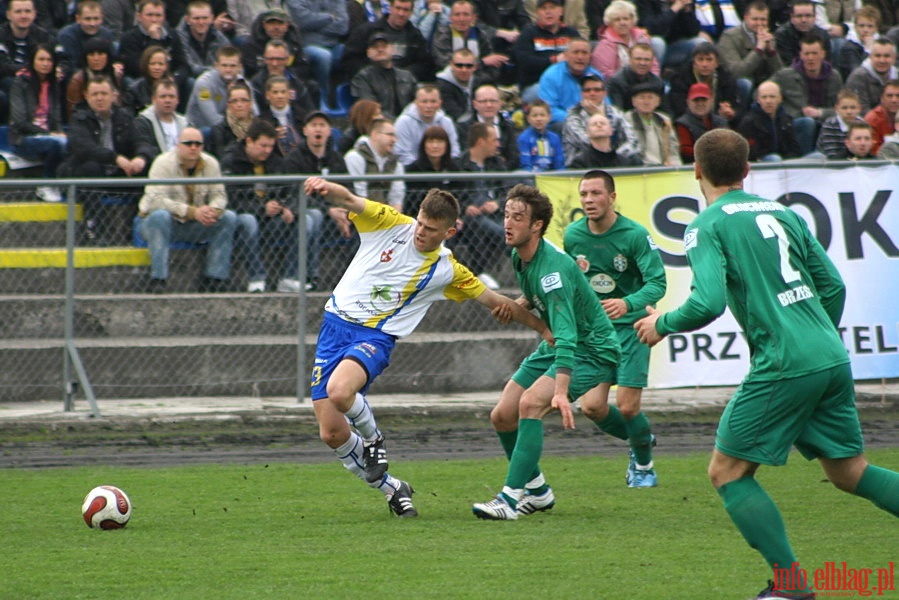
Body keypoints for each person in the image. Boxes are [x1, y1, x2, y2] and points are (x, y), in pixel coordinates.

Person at [634, 128, 899, 600]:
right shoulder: (782, 212)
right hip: (829, 355)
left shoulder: (707, 224)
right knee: (849, 471)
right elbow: (833, 286)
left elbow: (708, 302)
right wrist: (812, 336)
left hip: (787, 363)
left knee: (727, 472)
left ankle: (791, 587)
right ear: (747, 169)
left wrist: (663, 323)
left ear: (696, 170)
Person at [301, 174, 554, 519]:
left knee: (341, 392)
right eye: (420, 223)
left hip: (374, 337)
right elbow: (349, 200)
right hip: (333, 328)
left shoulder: (447, 270)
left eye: (431, 229)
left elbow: (495, 300)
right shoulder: (390, 222)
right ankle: (393, 489)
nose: (421, 232)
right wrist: (325, 187)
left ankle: (375, 441)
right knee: (332, 433)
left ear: (449, 232)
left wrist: (541, 326)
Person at [471, 183, 621, 520]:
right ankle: (538, 493)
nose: (508, 223)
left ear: (536, 225)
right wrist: (520, 304)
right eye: (507, 215)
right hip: (558, 343)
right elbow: (538, 302)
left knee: (531, 403)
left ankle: (509, 500)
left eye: (518, 217)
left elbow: (567, 334)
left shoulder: (553, 271)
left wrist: (562, 392)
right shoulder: (519, 255)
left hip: (590, 349)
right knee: (502, 415)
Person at [564, 169, 665, 486]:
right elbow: (572, 283)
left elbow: (657, 283)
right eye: (584, 194)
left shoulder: (634, 235)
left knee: (628, 406)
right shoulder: (573, 236)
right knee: (592, 407)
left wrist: (628, 303)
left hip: (633, 329)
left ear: (612, 197)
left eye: (595, 193)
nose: (589, 200)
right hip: (597, 334)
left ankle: (644, 467)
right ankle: (641, 439)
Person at [137, 126, 237, 293]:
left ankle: (215, 278)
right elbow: (155, 201)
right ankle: (158, 279)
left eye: (198, 144)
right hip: (158, 224)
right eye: (188, 143)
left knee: (229, 217)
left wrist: (212, 210)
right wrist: (191, 211)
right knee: (160, 216)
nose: (193, 147)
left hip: (195, 224)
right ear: (178, 144)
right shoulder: (162, 163)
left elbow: (220, 195)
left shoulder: (211, 163)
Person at [57, 75, 147, 244]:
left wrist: (141, 158)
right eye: (95, 94)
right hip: (80, 174)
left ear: (114, 95)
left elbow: (142, 142)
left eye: (104, 93)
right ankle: (93, 228)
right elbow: (84, 149)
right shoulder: (78, 119)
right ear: (86, 96)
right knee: (92, 167)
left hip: (113, 174)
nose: (100, 98)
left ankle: (136, 229)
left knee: (144, 171)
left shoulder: (125, 118)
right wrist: (115, 158)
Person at [220, 118, 302, 293]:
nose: (267, 151)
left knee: (307, 219)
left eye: (271, 146)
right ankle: (256, 277)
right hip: (243, 219)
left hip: (271, 220)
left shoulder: (275, 161)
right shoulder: (231, 161)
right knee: (248, 221)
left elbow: (289, 191)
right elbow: (231, 199)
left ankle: (291, 277)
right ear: (249, 141)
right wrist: (261, 209)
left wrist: (287, 207)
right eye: (263, 146)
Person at [284, 110, 349, 290]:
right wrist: (328, 209)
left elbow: (347, 189)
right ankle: (309, 275)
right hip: (304, 214)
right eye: (313, 125)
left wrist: (342, 211)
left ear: (329, 131)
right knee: (314, 216)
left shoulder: (336, 159)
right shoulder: (294, 159)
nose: (318, 129)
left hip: (336, 215)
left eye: (322, 125)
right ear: (305, 130)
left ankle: (352, 282)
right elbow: (295, 194)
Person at [9, 43, 66, 202]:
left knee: (70, 142)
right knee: (55, 144)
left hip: (49, 134)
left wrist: (59, 132)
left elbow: (56, 117)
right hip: (24, 137)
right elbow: (19, 122)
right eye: (41, 59)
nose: (45, 63)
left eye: (49, 60)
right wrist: (49, 134)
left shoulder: (54, 84)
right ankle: (46, 183)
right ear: (33, 60)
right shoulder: (20, 83)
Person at [771, 36, 843, 156]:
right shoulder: (786, 75)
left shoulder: (834, 76)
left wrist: (820, 113)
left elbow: (842, 108)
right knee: (807, 122)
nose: (810, 58)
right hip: (795, 122)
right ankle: (804, 161)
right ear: (801, 55)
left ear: (823, 54)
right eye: (807, 53)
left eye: (814, 53)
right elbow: (760, 93)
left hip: (825, 121)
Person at [456, 122, 508, 289]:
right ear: (481, 142)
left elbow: (508, 191)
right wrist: (465, 207)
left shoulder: (497, 163)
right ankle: (480, 273)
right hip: (470, 217)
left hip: (496, 213)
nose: (498, 144)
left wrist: (497, 204)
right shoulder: (458, 165)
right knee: (493, 230)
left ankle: (479, 273)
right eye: (494, 140)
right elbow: (451, 193)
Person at [341, 0, 434, 82]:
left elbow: (424, 64)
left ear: (411, 13)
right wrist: (373, 75)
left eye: (406, 10)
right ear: (390, 8)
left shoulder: (416, 36)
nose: (401, 13)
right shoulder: (365, 31)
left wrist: (404, 75)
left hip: (403, 86)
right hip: (371, 84)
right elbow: (350, 60)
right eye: (398, 8)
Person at [285, 0, 349, 111]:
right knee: (323, 56)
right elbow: (302, 22)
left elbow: (342, 26)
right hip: (307, 46)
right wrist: (329, 17)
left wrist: (314, 27)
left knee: (350, 52)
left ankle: (347, 98)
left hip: (334, 45)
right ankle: (322, 98)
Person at [513, 0, 579, 104]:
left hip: (568, 82)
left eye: (552, 7)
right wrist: (553, 60)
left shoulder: (572, 33)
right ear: (537, 13)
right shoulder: (528, 33)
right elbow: (525, 62)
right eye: (543, 8)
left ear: (561, 11)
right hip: (537, 84)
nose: (548, 12)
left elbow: (581, 56)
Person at [431, 0, 507, 83]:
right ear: (450, 17)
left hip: (478, 82)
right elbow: (445, 64)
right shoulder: (442, 35)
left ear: (474, 18)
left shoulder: (480, 35)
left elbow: (492, 67)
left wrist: (475, 80)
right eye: (457, 15)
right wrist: (482, 62)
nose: (461, 19)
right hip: (449, 82)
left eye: (466, 14)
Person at [349, 31, 418, 120]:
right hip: (378, 125)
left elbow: (419, 103)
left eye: (384, 46)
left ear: (393, 50)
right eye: (375, 47)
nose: (380, 49)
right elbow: (370, 110)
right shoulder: (362, 77)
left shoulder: (407, 76)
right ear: (368, 53)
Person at [118, 0, 189, 84]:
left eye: (158, 15)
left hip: (169, 81)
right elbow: (136, 68)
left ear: (164, 17)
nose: (154, 19)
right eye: (149, 15)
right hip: (141, 82)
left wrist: (175, 79)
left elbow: (183, 65)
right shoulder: (129, 38)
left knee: (190, 82)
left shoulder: (172, 35)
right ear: (139, 17)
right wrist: (154, 40)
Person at [716, 1, 783, 89]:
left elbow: (779, 72)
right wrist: (758, 50)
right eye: (755, 19)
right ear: (746, 18)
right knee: (745, 83)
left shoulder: (768, 37)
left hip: (763, 85)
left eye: (763, 19)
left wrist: (771, 52)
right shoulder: (729, 37)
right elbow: (737, 73)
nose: (759, 23)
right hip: (736, 86)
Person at [537, 37, 602, 127]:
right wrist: (576, 118)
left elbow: (605, 104)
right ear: (566, 55)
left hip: (592, 122)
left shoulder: (596, 76)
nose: (580, 57)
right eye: (576, 52)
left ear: (590, 56)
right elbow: (548, 109)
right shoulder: (551, 76)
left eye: (584, 53)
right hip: (563, 123)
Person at [668, 42, 740, 123]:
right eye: (700, 59)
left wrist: (730, 113)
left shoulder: (727, 79)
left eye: (709, 60)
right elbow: (679, 108)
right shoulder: (681, 78)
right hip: (691, 122)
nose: (704, 64)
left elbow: (737, 107)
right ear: (694, 63)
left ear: (717, 63)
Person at [186, 45, 256, 129]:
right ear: (216, 66)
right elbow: (213, 119)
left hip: (231, 128)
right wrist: (238, 128)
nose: (228, 70)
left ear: (239, 67)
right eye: (224, 65)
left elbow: (255, 113)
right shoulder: (203, 84)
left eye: (232, 66)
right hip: (200, 129)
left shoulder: (244, 84)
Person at [344, 117, 406, 211]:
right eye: (390, 135)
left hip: (385, 216)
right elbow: (359, 195)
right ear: (375, 135)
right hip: (358, 215)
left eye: (395, 136)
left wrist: (394, 222)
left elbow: (396, 198)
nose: (394, 140)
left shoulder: (395, 163)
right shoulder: (355, 157)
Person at [394, 84, 461, 166]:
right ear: (416, 103)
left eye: (433, 101)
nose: (429, 106)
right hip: (413, 172)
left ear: (440, 103)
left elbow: (454, 151)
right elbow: (402, 154)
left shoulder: (447, 122)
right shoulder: (403, 122)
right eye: (424, 102)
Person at [590, 0, 658, 81]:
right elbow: (606, 74)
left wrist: (652, 82)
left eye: (626, 19)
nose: (622, 23)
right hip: (619, 87)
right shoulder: (605, 44)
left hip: (645, 84)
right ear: (610, 23)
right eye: (617, 20)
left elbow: (654, 67)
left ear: (632, 21)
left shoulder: (642, 39)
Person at [457, 83, 520, 168]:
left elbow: (514, 157)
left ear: (500, 103)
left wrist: (500, 168)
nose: (489, 105)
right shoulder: (464, 127)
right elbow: (465, 156)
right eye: (483, 101)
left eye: (493, 101)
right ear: (475, 104)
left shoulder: (509, 126)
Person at [737, 80, 802, 161]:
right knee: (775, 158)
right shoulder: (749, 122)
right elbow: (750, 153)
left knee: (817, 157)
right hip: (762, 163)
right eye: (764, 97)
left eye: (772, 97)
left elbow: (795, 148)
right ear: (758, 99)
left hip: (785, 161)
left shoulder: (786, 119)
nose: (768, 101)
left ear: (780, 98)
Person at [405, 124, 461, 217]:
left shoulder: (454, 168)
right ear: (424, 145)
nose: (435, 146)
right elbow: (414, 202)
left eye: (440, 141)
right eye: (430, 141)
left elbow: (460, 196)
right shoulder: (413, 169)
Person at [64, 35, 124, 120]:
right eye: (91, 54)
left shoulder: (116, 76)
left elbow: (120, 105)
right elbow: (73, 112)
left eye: (100, 54)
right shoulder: (78, 80)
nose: (96, 58)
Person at [624, 82, 682, 166]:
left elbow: (673, 149)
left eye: (650, 98)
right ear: (634, 102)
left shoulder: (664, 120)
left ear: (658, 101)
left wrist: (674, 164)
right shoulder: (626, 119)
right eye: (642, 97)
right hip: (638, 168)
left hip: (663, 167)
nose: (646, 102)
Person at [133, 78, 189, 165]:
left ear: (177, 100)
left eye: (171, 96)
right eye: (163, 96)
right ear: (153, 99)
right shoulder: (143, 122)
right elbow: (145, 147)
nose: (167, 100)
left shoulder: (186, 123)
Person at [57, 0, 116, 81]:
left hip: (103, 76)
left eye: (96, 18)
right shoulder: (66, 36)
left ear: (102, 18)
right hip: (76, 78)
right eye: (88, 19)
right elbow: (69, 66)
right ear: (78, 19)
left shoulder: (106, 34)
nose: (92, 23)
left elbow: (112, 59)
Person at [675, 82, 730, 163]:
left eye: (704, 100)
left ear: (711, 101)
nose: (700, 103)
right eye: (696, 100)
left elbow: (728, 145)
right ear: (688, 102)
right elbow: (685, 150)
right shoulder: (682, 124)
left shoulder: (721, 122)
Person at [176, 0, 231, 80]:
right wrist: (217, 71)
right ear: (187, 20)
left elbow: (230, 59)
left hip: (216, 79)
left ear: (212, 18)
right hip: (192, 79)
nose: (201, 22)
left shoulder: (219, 38)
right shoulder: (179, 38)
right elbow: (189, 67)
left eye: (205, 18)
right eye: (196, 18)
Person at [845, 37, 898, 113]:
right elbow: (861, 111)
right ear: (870, 56)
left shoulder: (897, 74)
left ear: (894, 58)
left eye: (886, 56)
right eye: (877, 56)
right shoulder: (858, 77)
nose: (882, 60)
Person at [606, 43, 665, 112]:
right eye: (638, 59)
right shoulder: (616, 82)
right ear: (630, 60)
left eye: (647, 60)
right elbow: (618, 112)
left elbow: (665, 110)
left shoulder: (657, 83)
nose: (642, 63)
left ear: (652, 62)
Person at [257, 75, 306, 157]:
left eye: (283, 92)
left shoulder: (303, 116)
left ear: (289, 94)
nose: (280, 96)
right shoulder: (261, 121)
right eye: (275, 92)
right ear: (267, 95)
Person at [774, 0, 833, 66]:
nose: (803, 20)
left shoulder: (823, 35)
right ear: (791, 18)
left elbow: (827, 64)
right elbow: (788, 65)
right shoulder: (782, 35)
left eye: (808, 16)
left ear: (815, 17)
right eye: (799, 16)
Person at [207, 81, 257, 159]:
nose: (239, 105)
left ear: (251, 103)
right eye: (234, 101)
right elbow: (221, 157)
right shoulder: (219, 130)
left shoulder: (259, 127)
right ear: (228, 105)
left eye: (244, 100)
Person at [814, 87, 865, 158]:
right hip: (827, 160)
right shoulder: (830, 124)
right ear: (836, 109)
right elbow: (831, 154)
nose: (849, 112)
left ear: (859, 108)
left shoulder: (863, 124)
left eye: (853, 108)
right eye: (844, 108)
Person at [122, 45, 172, 115]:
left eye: (161, 64)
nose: (157, 67)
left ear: (166, 66)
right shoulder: (134, 90)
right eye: (153, 64)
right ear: (146, 65)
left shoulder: (171, 88)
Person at [518, 99, 565, 171]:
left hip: (551, 178)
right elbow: (525, 165)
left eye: (542, 115)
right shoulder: (524, 138)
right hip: (531, 178)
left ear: (549, 117)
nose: (539, 119)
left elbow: (559, 164)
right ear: (528, 118)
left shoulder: (555, 138)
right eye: (534, 116)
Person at [835, 5, 881, 80]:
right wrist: (868, 50)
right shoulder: (848, 48)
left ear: (876, 28)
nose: (865, 30)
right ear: (855, 27)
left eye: (870, 26)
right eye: (862, 26)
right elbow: (858, 74)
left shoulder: (882, 43)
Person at [435, 47, 478, 122]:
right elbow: (455, 116)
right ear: (451, 65)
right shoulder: (442, 86)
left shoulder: (479, 82)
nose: (464, 70)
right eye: (459, 65)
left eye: (469, 66)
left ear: (475, 67)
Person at [863, 78, 899, 154]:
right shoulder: (872, 119)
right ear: (882, 98)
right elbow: (874, 152)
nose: (894, 100)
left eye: (898, 96)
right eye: (889, 96)